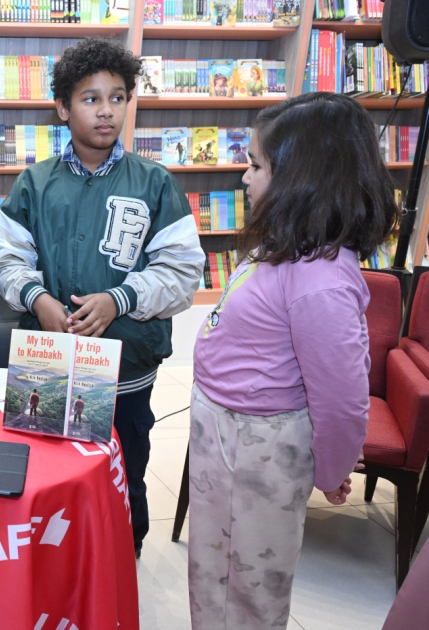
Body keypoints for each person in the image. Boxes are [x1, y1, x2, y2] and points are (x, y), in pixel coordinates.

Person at [188, 92, 399, 630]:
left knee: (253, 585)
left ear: (305, 178)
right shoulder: (285, 246)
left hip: (261, 445)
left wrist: (331, 469)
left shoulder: (323, 279)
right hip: (222, 430)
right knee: (212, 569)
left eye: (256, 165)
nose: (244, 178)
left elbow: (342, 397)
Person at [0, 37, 204, 558]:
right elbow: (5, 262)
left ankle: (122, 551)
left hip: (128, 363)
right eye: (90, 98)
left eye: (117, 97)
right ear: (63, 108)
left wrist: (121, 299)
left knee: (124, 461)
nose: (106, 110)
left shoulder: (156, 183)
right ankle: (50, 556)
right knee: (47, 466)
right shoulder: (33, 183)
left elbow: (183, 272)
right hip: (50, 361)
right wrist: (37, 298)